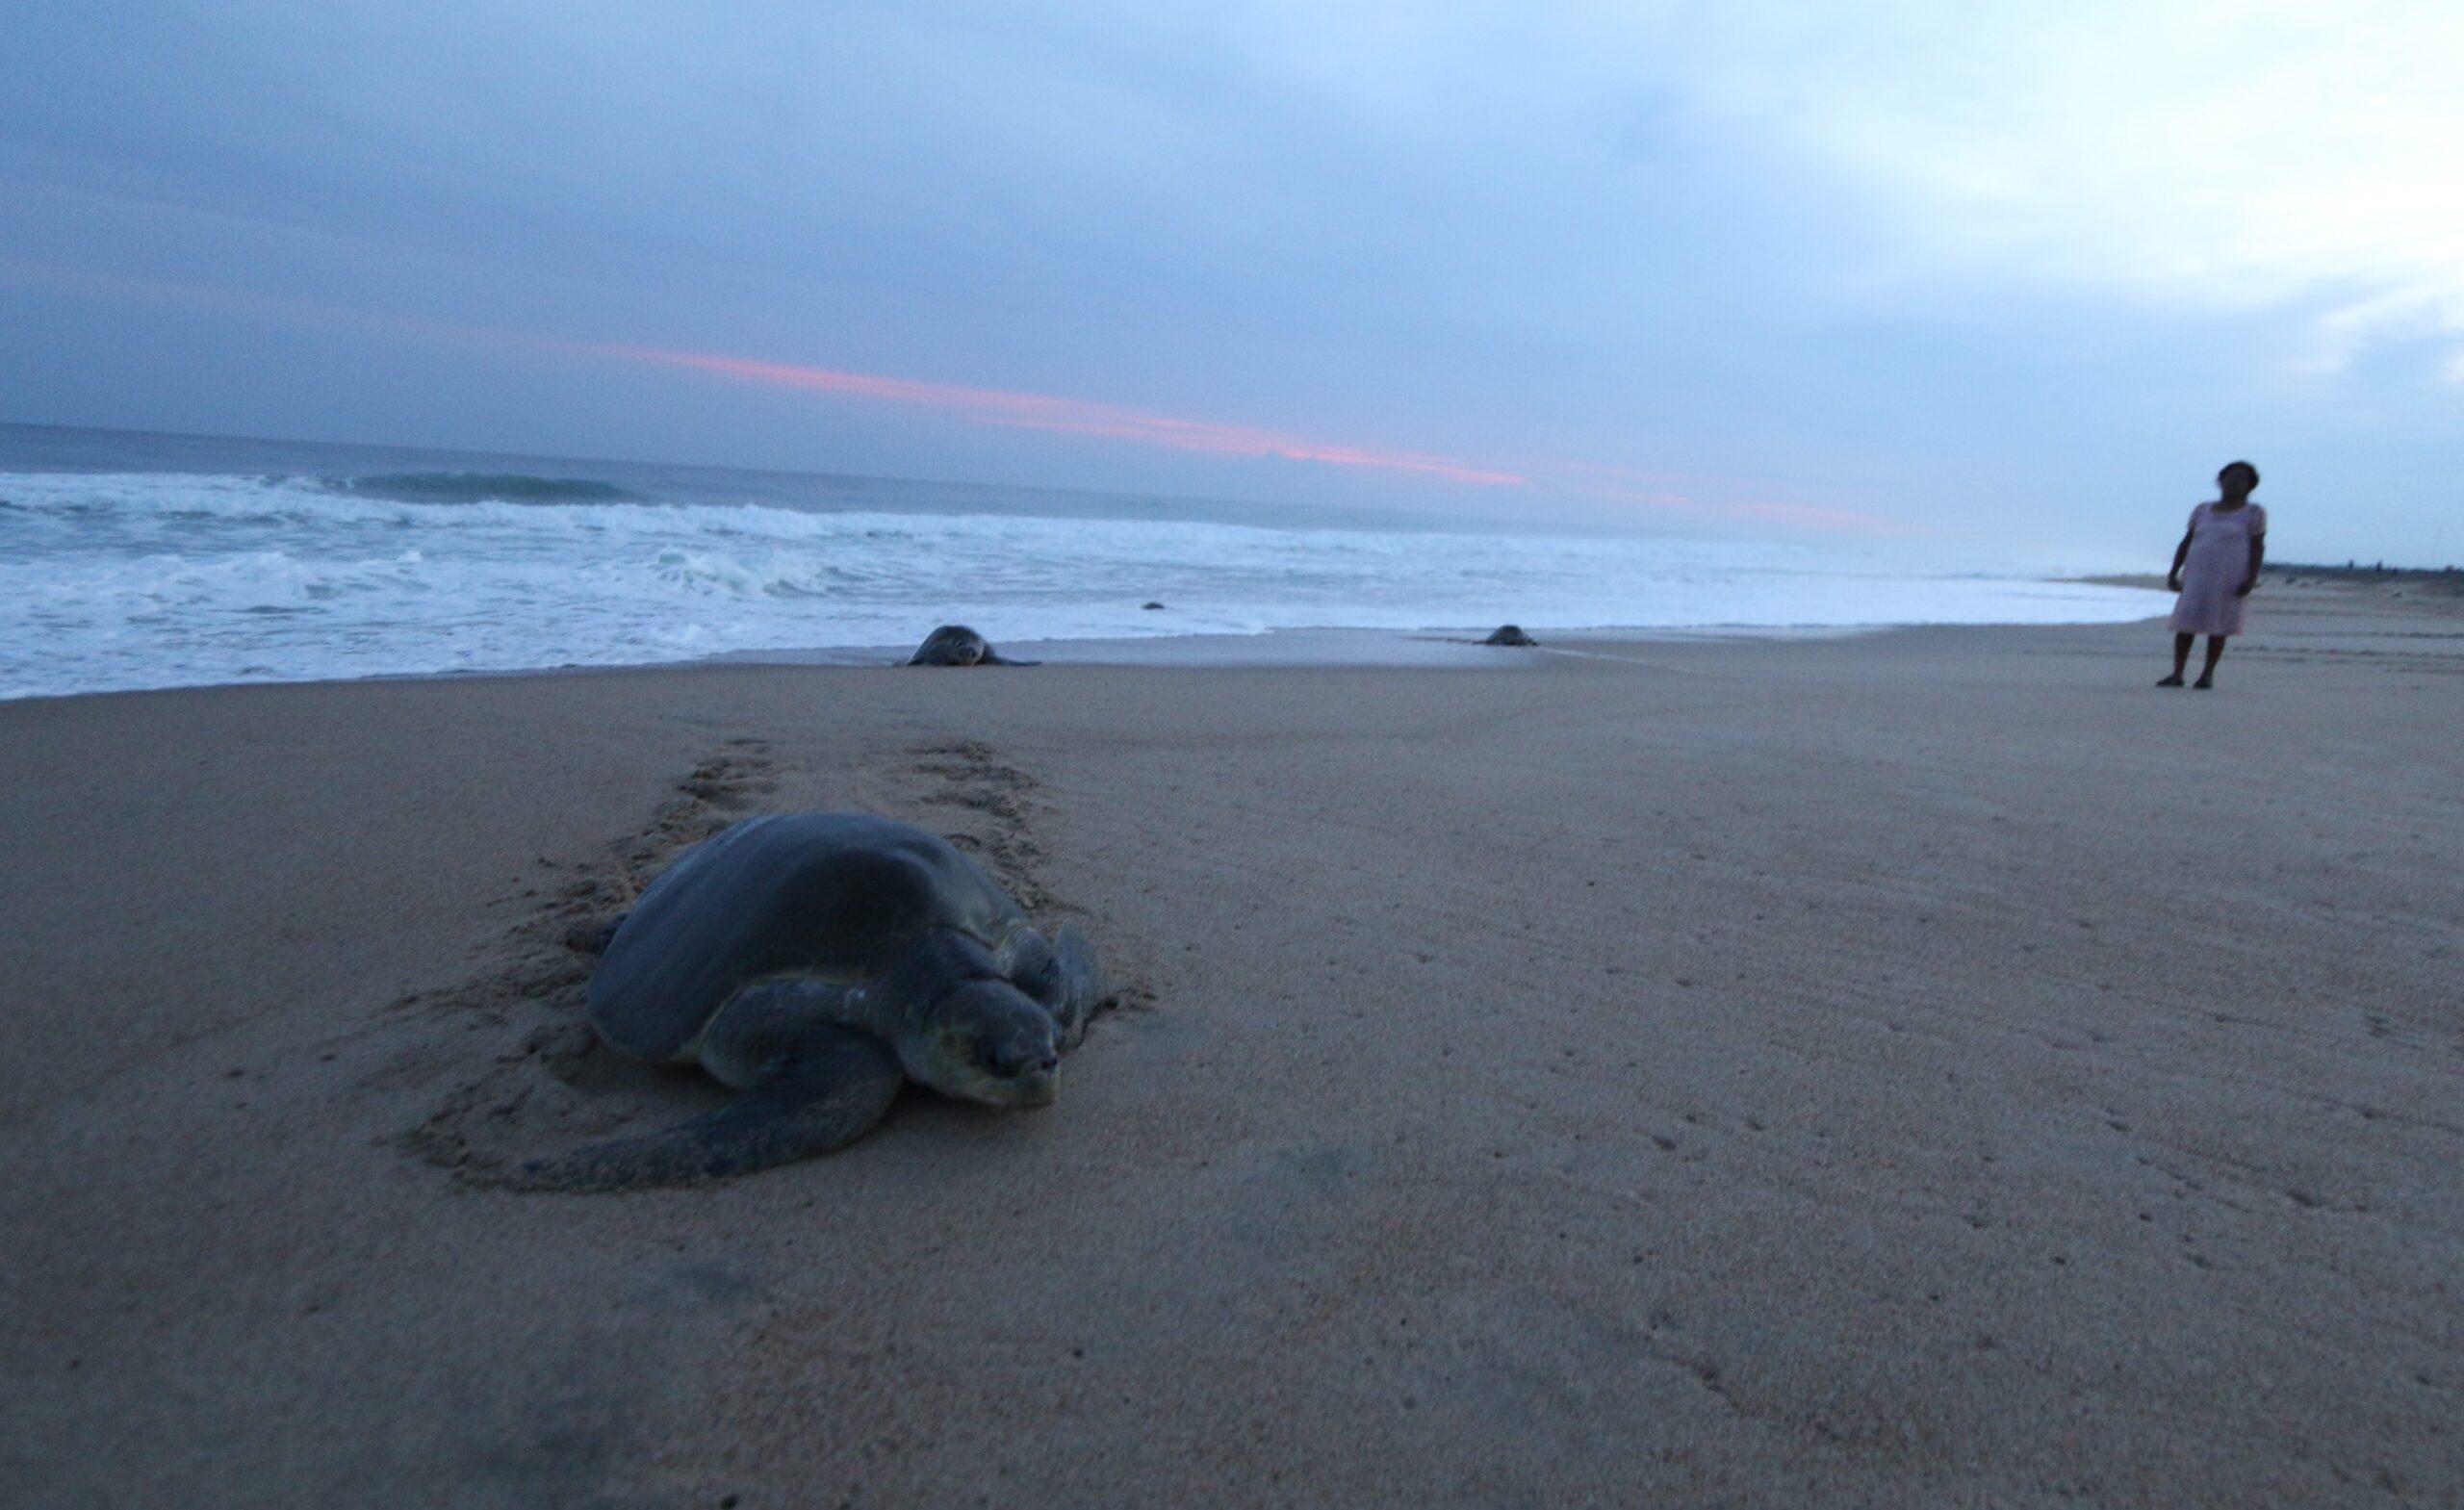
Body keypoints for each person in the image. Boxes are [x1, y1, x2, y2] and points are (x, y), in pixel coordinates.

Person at [2159, 461, 2267, 688]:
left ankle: (2207, 675)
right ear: (2220, 480)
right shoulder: (2202, 510)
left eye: (2241, 478)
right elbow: (2187, 541)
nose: (2234, 482)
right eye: (2230, 477)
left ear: (2250, 486)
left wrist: (2251, 578)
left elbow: (2257, 547)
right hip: (2196, 575)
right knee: (2185, 624)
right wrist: (2174, 571)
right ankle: (2177, 673)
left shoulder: (2254, 513)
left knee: (2219, 626)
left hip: (2230, 576)